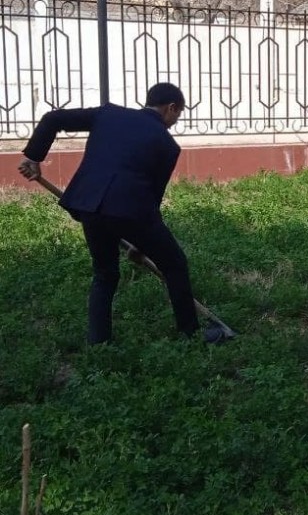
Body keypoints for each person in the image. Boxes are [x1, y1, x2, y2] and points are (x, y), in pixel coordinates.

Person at [18, 83, 225, 345]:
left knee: (104, 273)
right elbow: (152, 198)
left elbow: (52, 119)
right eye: (178, 114)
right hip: (132, 212)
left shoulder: (108, 114)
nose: (175, 121)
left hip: (89, 205)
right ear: (171, 108)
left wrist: (34, 156)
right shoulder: (167, 144)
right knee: (174, 264)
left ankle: (98, 345)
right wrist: (142, 244)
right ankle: (191, 334)